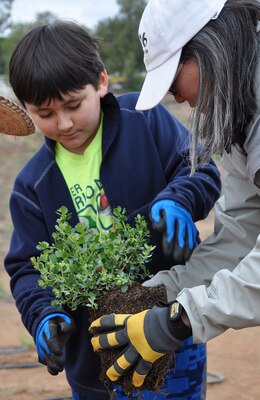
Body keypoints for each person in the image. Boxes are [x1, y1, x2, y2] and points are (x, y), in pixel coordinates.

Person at [89, 0, 260, 391]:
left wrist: (179, 320)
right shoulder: (241, 108)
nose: (179, 99)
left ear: (206, 47)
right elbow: (242, 234)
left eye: (173, 82)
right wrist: (161, 293)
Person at [4, 20, 221, 400]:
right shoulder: (31, 187)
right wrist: (44, 317)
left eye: (73, 105)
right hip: (95, 366)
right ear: (27, 109)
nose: (64, 122)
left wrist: (178, 201)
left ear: (101, 82)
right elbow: (27, 269)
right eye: (45, 113)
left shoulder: (146, 118)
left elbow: (200, 168)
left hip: (172, 333)